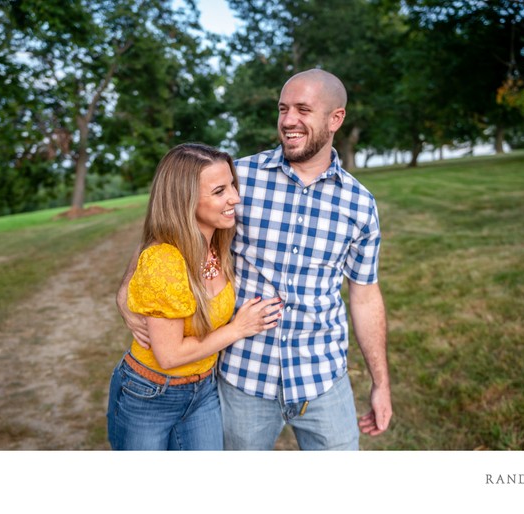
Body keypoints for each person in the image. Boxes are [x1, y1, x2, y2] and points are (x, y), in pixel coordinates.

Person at [117, 69, 392, 450]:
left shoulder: (360, 205)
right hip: (243, 377)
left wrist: (381, 383)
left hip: (323, 377)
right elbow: (169, 232)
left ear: (336, 119)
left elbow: (364, 295)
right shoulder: (238, 178)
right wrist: (124, 297)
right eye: (283, 109)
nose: (288, 120)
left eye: (303, 110)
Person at [106, 143, 283, 450]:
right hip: (149, 393)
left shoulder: (219, 241)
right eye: (219, 191)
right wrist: (238, 328)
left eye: (232, 185)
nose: (235, 198)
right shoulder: (165, 260)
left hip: (203, 390)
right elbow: (170, 355)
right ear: (184, 199)